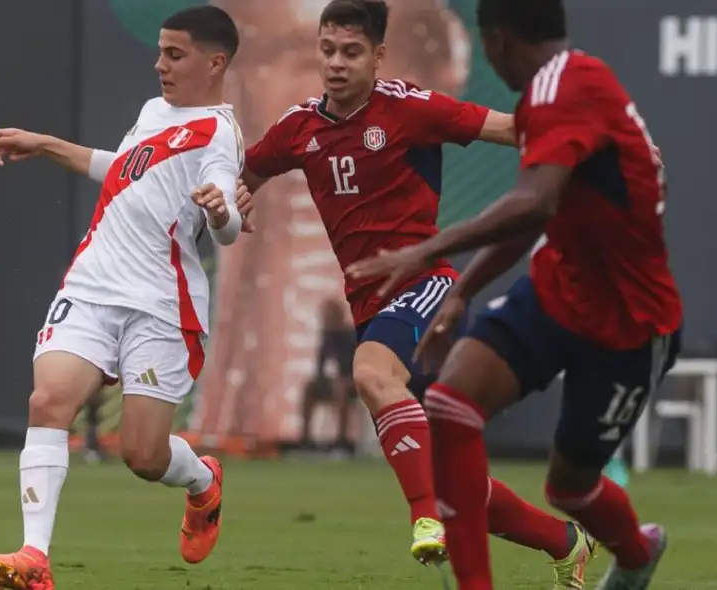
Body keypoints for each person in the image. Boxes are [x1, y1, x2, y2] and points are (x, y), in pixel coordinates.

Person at [216, 0, 595, 583]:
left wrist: (592, 146)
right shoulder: (299, 127)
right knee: (449, 478)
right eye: (327, 50)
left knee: (369, 375)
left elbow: (506, 128)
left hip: (427, 287)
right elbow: (245, 174)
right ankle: (565, 542)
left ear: (378, 56)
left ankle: (425, 519)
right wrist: (234, 197)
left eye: (351, 52)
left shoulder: (410, 108)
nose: (335, 63)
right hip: (370, 307)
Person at [347, 0, 682, 587]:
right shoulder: (544, 99)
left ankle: (636, 552)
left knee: (570, 487)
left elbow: (534, 201)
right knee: (450, 405)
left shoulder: (571, 87)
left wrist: (428, 250)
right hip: (556, 291)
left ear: (497, 40)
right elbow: (537, 214)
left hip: (627, 319)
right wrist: (463, 291)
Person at [0, 7, 246, 589]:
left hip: (161, 304)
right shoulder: (154, 112)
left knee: (143, 457)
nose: (160, 64)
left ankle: (202, 482)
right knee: (49, 400)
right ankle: (34, 557)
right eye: (160, 51)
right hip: (93, 285)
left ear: (215, 63)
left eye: (175, 54)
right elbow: (124, 171)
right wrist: (44, 144)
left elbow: (225, 222)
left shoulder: (219, 134)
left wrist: (222, 213)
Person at [301, 299, 358, 450]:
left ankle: (341, 439)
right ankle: (305, 438)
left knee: (341, 386)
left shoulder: (352, 336)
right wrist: (320, 380)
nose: (326, 320)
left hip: (355, 380)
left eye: (329, 316)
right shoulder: (328, 336)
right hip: (339, 381)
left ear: (339, 317)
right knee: (309, 387)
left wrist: (348, 379)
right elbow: (321, 365)